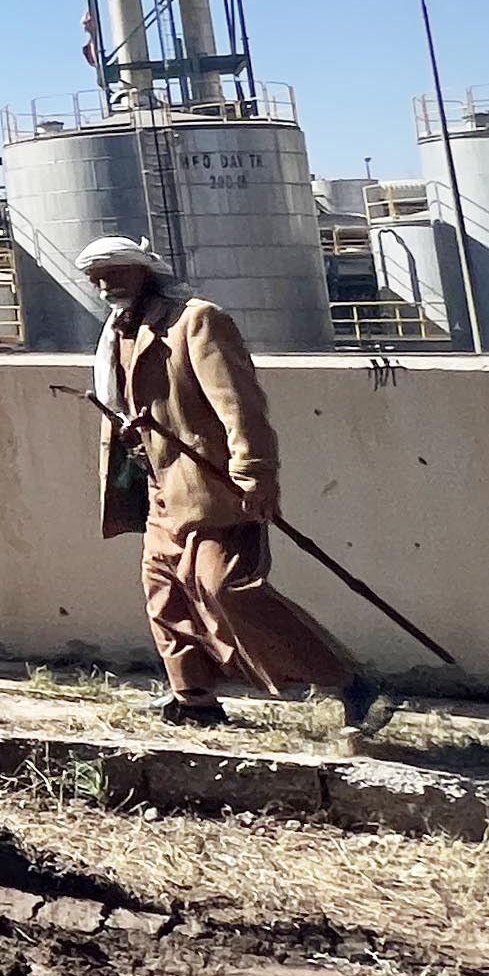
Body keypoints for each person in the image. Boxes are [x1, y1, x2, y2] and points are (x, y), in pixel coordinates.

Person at [78, 234, 383, 735]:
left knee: (228, 588)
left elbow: (239, 405)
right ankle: (192, 698)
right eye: (96, 276)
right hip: (158, 485)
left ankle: (351, 684)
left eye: (113, 272)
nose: (102, 283)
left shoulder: (196, 320)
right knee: (165, 593)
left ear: (143, 271)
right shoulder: (118, 330)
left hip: (212, 485)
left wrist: (256, 473)